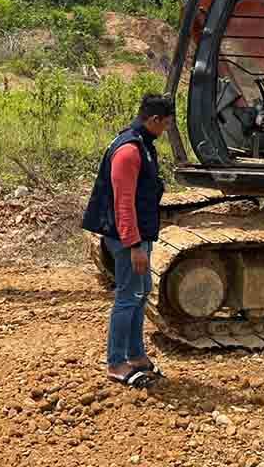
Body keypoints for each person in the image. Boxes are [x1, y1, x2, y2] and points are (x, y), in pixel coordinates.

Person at [81, 93, 175, 388]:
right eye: (167, 124)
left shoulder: (142, 144)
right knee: (127, 297)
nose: (167, 130)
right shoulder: (129, 151)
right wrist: (134, 245)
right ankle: (117, 363)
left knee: (141, 291)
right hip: (127, 238)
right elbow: (123, 203)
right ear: (154, 120)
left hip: (136, 236)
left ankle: (136, 356)